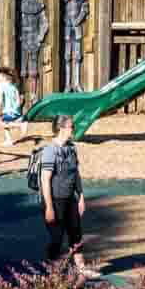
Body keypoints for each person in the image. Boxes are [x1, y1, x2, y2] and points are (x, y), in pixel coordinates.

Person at [37, 116, 90, 272]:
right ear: (61, 128)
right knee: (57, 237)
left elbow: (76, 174)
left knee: (76, 234)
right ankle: (52, 270)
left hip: (70, 199)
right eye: (70, 126)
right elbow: (45, 180)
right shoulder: (50, 150)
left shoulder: (72, 148)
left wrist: (80, 196)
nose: (73, 129)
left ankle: (82, 268)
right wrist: (49, 207)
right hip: (55, 199)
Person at [0, 68, 26, 146]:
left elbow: (0, 98)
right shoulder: (14, 85)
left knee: (3, 123)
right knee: (5, 122)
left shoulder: (1, 85)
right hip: (14, 109)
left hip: (9, 110)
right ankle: (8, 140)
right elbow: (18, 98)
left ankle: (20, 125)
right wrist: (18, 106)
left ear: (4, 76)